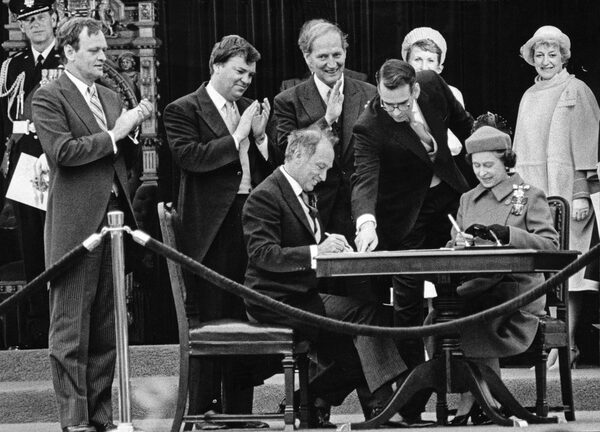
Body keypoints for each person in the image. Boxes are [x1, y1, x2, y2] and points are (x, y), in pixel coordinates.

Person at [31, 17, 152, 432]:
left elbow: (121, 161)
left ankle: (100, 417)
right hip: (76, 226)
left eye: (105, 49)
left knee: (104, 330)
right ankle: (75, 420)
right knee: (70, 331)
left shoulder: (110, 96)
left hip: (115, 223)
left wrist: (130, 135)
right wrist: (117, 133)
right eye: (94, 50)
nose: (104, 57)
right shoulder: (49, 96)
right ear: (69, 52)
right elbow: (64, 153)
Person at [242, 127, 407, 427]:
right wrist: (317, 250)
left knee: (359, 348)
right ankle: (383, 408)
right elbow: (263, 254)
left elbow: (301, 239)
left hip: (301, 295)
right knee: (368, 317)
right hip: (276, 301)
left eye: (327, 169)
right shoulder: (264, 196)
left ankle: (306, 403)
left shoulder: (301, 192)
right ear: (297, 155)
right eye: (320, 167)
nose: (323, 176)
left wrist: (329, 242)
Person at [351, 58, 473, 422]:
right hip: (405, 217)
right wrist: (366, 224)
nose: (395, 112)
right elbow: (364, 178)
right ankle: (412, 402)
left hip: (450, 199)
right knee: (407, 306)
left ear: (415, 89)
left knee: (468, 287)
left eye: (402, 104)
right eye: (387, 104)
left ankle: (472, 391)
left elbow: (467, 128)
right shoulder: (370, 123)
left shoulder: (433, 84)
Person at [163, 35, 274, 427]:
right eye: (240, 71)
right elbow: (190, 158)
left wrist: (260, 137)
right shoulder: (183, 109)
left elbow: (269, 169)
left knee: (246, 318)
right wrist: (238, 135)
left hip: (250, 222)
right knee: (213, 321)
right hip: (210, 231)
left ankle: (238, 414)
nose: (246, 80)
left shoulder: (250, 109)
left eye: (250, 75)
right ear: (216, 65)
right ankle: (203, 413)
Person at [444, 124, 559, 425]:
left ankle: (477, 399)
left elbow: (551, 246)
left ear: (506, 161)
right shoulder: (468, 199)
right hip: (476, 286)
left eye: (489, 165)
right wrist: (458, 244)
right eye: (476, 166)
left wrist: (510, 234)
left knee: (474, 316)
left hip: (517, 291)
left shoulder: (529, 195)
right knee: (441, 316)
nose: (482, 172)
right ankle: (480, 396)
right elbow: (452, 245)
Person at [513, 25, 600, 369]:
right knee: (545, 270)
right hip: (536, 196)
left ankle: (570, 342)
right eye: (539, 54)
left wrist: (581, 194)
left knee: (571, 271)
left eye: (552, 54)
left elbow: (588, 145)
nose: (546, 60)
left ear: (563, 57)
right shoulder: (528, 95)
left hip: (567, 194)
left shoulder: (576, 89)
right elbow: (519, 152)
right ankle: (553, 341)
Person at [273, 19, 376, 299]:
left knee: (366, 299)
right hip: (313, 215)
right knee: (321, 302)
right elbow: (286, 151)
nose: (332, 64)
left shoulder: (369, 93)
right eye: (322, 57)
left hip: (360, 214)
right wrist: (327, 120)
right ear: (307, 58)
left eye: (337, 54)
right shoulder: (288, 100)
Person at [0, 0, 61, 348]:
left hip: (61, 163)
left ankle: (64, 323)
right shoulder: (12, 67)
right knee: (32, 246)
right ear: (21, 27)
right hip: (25, 167)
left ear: (53, 18)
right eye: (28, 20)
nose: (35, 24)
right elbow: (6, 122)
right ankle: (38, 329)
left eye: (40, 17)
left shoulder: (69, 59)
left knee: (61, 245)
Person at [401, 26, 476, 186]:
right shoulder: (398, 95)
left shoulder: (452, 93)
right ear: (406, 64)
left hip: (444, 172)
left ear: (439, 67)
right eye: (417, 59)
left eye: (430, 61)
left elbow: (456, 142)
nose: (423, 67)